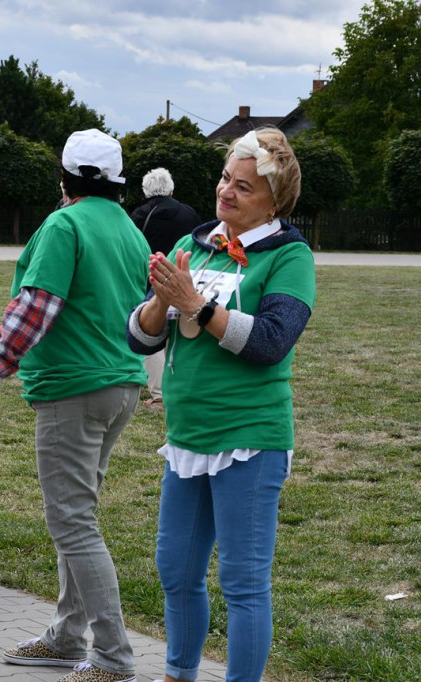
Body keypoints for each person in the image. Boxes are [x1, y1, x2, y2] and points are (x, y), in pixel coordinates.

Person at [0, 129, 148, 682]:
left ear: (65, 177)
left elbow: (32, 314)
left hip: (72, 388)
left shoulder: (64, 224)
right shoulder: (126, 225)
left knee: (73, 522)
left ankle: (112, 658)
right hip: (120, 385)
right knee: (79, 516)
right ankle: (65, 636)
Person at [126, 128, 315, 682]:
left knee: (243, 582)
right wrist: (161, 304)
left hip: (249, 438)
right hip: (188, 436)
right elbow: (141, 339)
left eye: (244, 187)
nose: (226, 193)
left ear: (273, 201)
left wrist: (196, 305)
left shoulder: (290, 255)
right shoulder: (196, 243)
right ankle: (177, 674)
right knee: (176, 572)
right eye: (224, 180)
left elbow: (270, 342)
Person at [129, 168, 200, 409]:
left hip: (151, 278)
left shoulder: (138, 216)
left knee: (150, 330)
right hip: (185, 276)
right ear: (171, 189)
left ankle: (159, 393)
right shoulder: (188, 213)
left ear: (145, 191)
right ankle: (181, 387)